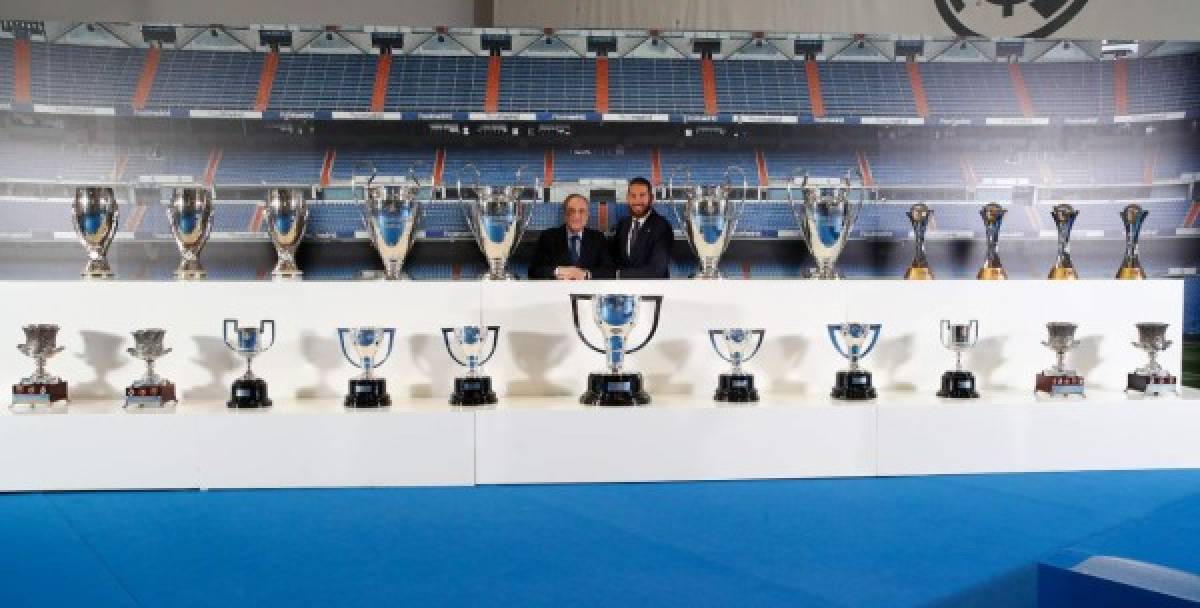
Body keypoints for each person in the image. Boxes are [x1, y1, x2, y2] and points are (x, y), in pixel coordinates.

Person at [528, 193, 614, 280]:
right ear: (565, 215)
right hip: (557, 291)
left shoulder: (598, 238)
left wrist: (585, 274)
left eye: (581, 211)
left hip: (589, 291)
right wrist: (559, 271)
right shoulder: (548, 237)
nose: (576, 216)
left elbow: (609, 270)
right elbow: (534, 270)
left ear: (587, 215)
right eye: (572, 211)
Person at [609, 176, 672, 279]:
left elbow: (657, 270)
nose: (637, 201)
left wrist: (618, 275)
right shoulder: (622, 225)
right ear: (627, 198)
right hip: (624, 291)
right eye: (633, 196)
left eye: (642, 195)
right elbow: (616, 261)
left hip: (652, 292)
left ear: (651, 198)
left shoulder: (662, 226)